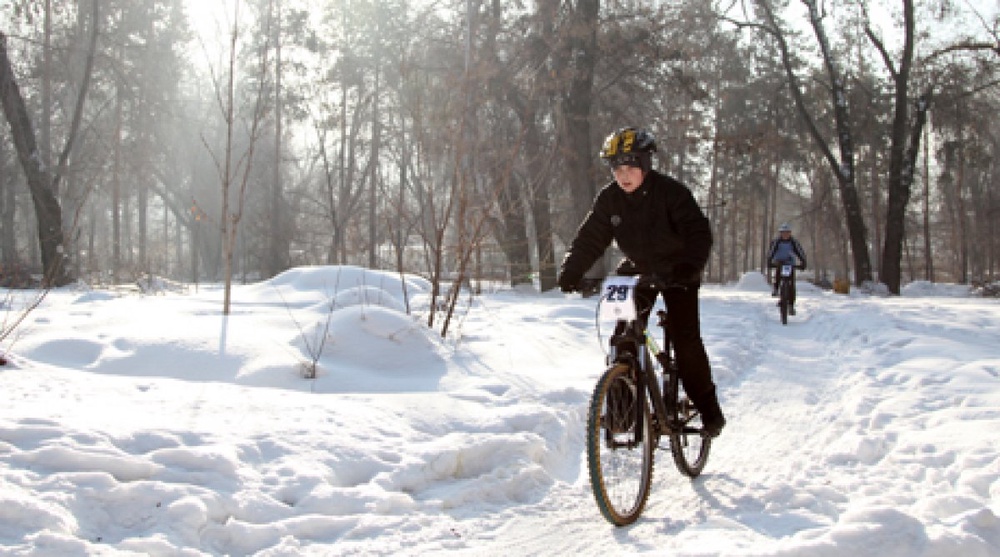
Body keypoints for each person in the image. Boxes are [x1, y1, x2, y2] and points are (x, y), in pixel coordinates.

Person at [557, 126, 725, 438]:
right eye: (617, 168)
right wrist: (572, 270)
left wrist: (690, 266)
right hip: (638, 270)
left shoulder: (672, 193)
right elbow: (590, 238)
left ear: (646, 164)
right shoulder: (609, 200)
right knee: (623, 339)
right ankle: (622, 412)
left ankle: (709, 409)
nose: (624, 175)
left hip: (678, 271)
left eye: (631, 167)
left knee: (685, 340)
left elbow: (698, 232)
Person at [766, 223, 807, 314]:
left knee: (791, 283)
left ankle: (791, 305)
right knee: (778, 274)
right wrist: (769, 261)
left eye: (787, 233)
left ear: (790, 233)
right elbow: (771, 252)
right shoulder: (776, 242)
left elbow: (800, 252)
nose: (785, 235)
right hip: (779, 261)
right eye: (783, 233)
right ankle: (776, 289)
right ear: (780, 233)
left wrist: (803, 261)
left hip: (790, 263)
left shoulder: (794, 242)